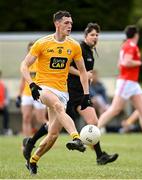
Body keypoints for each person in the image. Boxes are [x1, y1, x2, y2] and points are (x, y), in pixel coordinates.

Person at [23, 22, 118, 166]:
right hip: (69, 91)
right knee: (54, 129)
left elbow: (84, 74)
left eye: (97, 35)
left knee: (93, 121)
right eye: (92, 34)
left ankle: (99, 155)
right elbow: (68, 68)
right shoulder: (76, 47)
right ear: (85, 36)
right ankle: (32, 143)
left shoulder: (89, 52)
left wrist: (87, 92)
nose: (95, 37)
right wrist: (84, 74)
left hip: (81, 93)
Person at [20, 10, 91, 175]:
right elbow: (24, 65)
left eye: (71, 23)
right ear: (57, 24)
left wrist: (86, 95)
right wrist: (31, 85)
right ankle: (76, 138)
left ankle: (33, 160)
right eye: (66, 23)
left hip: (62, 91)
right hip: (43, 88)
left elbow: (82, 72)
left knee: (52, 135)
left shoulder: (73, 46)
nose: (70, 26)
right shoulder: (42, 43)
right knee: (58, 107)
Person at [98, 25, 142, 149]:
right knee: (115, 109)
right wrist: (141, 63)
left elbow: (120, 63)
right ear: (136, 35)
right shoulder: (131, 45)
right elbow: (126, 62)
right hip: (126, 82)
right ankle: (93, 131)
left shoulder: (126, 45)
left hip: (132, 83)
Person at [16, 41, 47, 139]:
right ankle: (26, 141)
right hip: (27, 94)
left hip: (38, 93)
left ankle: (51, 137)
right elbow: (23, 81)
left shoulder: (41, 63)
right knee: (26, 118)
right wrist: (19, 95)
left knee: (41, 119)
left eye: (32, 49)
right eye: (29, 50)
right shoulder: (26, 64)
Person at [0, 70, 11, 135]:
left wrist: (3, 104)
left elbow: (7, 97)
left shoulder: (3, 86)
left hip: (2, 106)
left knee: (6, 113)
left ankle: (5, 129)